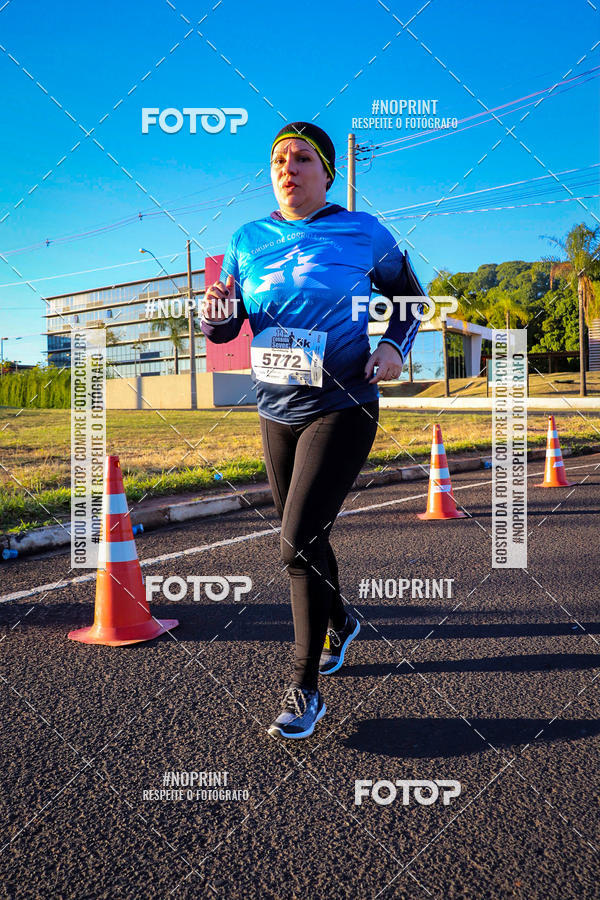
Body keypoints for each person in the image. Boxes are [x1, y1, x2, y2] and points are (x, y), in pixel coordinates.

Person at [201, 122, 425, 739]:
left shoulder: (361, 230)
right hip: (275, 407)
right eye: (278, 159)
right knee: (305, 533)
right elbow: (224, 328)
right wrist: (215, 316)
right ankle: (341, 619)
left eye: (301, 157)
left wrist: (392, 349)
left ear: (326, 171)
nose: (287, 167)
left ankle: (304, 688)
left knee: (296, 538)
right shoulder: (247, 239)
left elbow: (411, 296)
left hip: (344, 400)